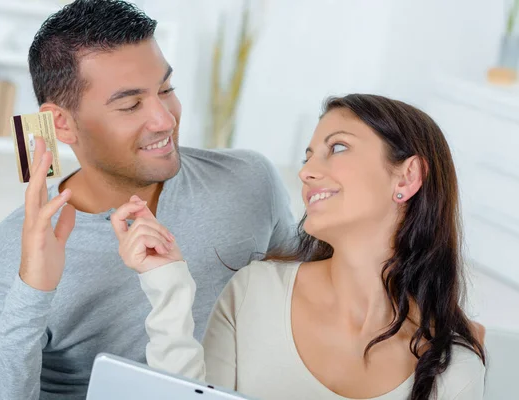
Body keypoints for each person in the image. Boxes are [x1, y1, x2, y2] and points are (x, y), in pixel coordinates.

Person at [0, 1, 296, 399]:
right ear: (61, 123)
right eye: (131, 104)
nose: (165, 120)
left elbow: (307, 300)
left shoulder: (249, 182)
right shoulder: (8, 253)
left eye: (166, 90)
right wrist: (34, 291)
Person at [118, 94, 487, 400]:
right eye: (307, 156)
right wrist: (168, 286)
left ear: (406, 177)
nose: (305, 172)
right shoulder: (256, 291)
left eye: (338, 147)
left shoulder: (453, 367)